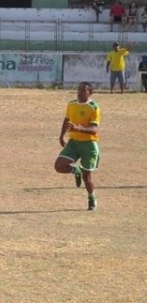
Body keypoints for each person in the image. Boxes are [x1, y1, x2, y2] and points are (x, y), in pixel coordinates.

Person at [54, 82, 100, 211]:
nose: (80, 92)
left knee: (87, 177)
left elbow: (94, 129)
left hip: (89, 145)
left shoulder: (93, 107)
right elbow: (66, 120)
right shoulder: (72, 104)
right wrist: (61, 136)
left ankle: (91, 197)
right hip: (74, 142)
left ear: (90, 92)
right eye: (79, 89)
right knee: (59, 166)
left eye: (84, 90)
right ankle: (76, 170)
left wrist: (78, 129)